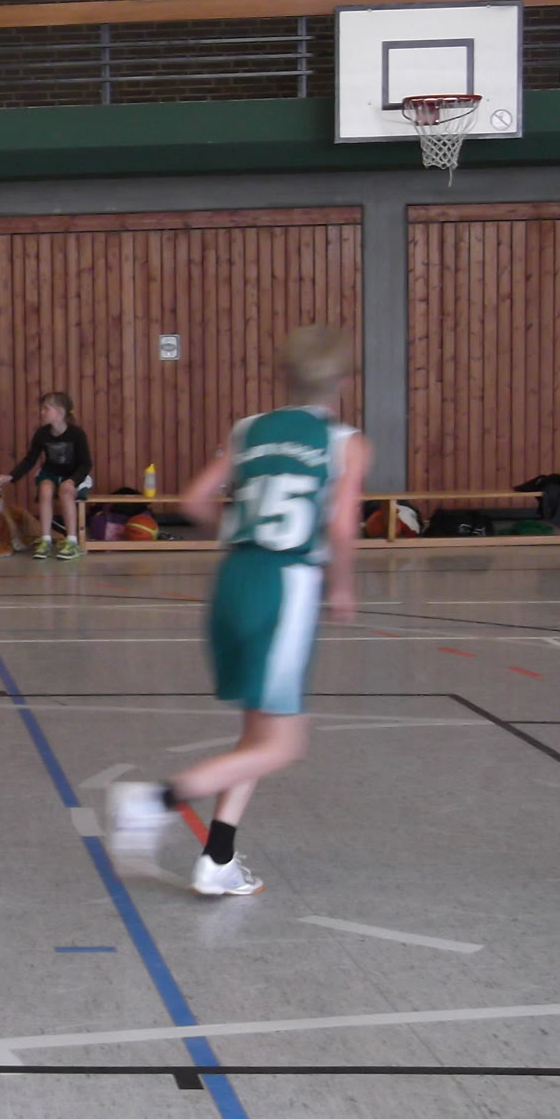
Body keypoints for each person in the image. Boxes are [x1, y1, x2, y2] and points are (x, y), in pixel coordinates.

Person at [108, 326, 368, 897]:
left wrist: (241, 530)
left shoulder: (248, 429)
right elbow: (344, 526)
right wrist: (343, 585)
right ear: (343, 382)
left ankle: (217, 857)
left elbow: (193, 500)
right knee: (283, 744)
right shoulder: (346, 442)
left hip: (233, 581)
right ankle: (155, 801)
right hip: (286, 585)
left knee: (256, 731)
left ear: (284, 377)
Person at [5, 392, 93, 561]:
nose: (42, 412)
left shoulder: (77, 434)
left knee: (66, 490)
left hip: (74, 474)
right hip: (51, 473)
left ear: (59, 412)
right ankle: (45, 540)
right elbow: (30, 459)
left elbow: (86, 464)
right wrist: (12, 476)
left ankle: (72, 541)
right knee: (45, 489)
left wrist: (72, 481)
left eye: (46, 408)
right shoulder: (42, 434)